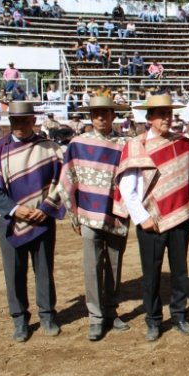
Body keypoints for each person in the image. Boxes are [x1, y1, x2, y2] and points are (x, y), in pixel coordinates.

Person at [115, 95, 189, 342]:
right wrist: (142, 217)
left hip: (181, 216)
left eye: (168, 113)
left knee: (180, 271)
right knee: (151, 273)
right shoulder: (136, 145)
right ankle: (153, 320)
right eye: (160, 114)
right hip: (150, 220)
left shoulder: (183, 143)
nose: (166, 118)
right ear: (149, 118)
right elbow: (128, 187)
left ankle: (179, 315)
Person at [0, 101, 66, 342]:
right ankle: (20, 319)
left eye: (25, 120)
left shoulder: (50, 148)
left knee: (44, 269)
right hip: (10, 219)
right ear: (9, 121)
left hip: (41, 217)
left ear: (33, 121)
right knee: (14, 271)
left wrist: (45, 208)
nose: (20, 125)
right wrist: (14, 209)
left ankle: (47, 315)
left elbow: (63, 181)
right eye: (15, 120)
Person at [58, 97, 131, 341]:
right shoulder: (78, 144)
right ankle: (96, 317)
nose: (100, 117)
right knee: (92, 267)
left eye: (105, 112)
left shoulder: (125, 144)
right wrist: (74, 215)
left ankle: (111, 311)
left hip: (116, 214)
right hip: (88, 214)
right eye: (96, 113)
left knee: (114, 265)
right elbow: (67, 180)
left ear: (113, 115)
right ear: (90, 116)